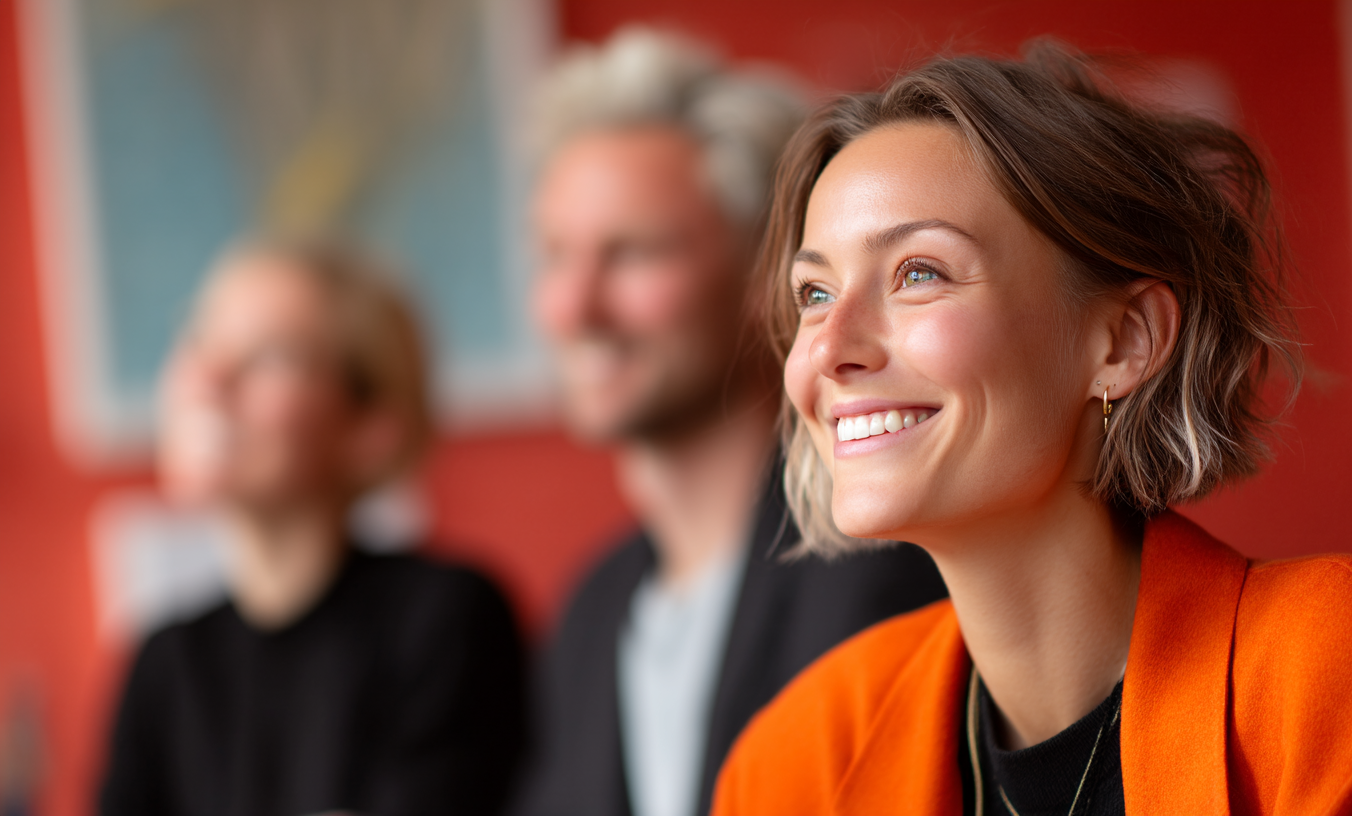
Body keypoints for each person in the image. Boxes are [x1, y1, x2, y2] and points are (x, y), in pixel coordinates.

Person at [712, 43, 1352, 816]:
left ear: (1126, 340)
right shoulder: (794, 762)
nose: (827, 349)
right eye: (815, 292)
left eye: (919, 273)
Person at [512, 28, 947, 816]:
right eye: (553, 256)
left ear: (770, 276)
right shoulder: (591, 614)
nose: (575, 309)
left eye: (633, 254)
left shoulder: (888, 566)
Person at [99, 239, 526, 816]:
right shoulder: (167, 661)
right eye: (200, 340)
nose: (210, 379)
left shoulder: (445, 617)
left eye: (271, 356)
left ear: (372, 429)